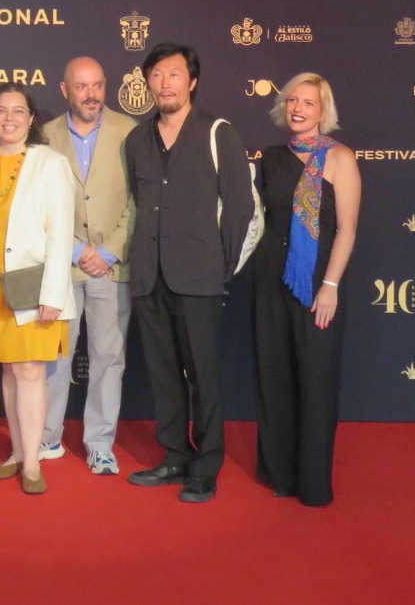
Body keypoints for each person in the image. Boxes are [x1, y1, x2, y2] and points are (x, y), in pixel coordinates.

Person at [124, 42, 255, 503]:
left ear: (192, 81)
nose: (164, 83)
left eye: (174, 74)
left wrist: (219, 265)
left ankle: (206, 464)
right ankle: (175, 455)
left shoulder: (218, 133)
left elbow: (241, 208)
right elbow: (136, 206)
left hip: (199, 277)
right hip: (148, 275)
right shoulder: (136, 140)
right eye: (156, 75)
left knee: (204, 375)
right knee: (163, 373)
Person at [0, 85, 76, 495]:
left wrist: (53, 294)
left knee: (30, 371)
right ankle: (16, 452)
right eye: (1, 111)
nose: (9, 118)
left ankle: (31, 462)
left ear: (31, 119)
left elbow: (62, 233)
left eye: (18, 111)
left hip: (33, 286)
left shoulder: (50, 163)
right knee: (9, 370)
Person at [253, 73, 360, 506]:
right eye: (292, 101)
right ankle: (281, 473)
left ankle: (314, 482)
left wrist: (330, 285)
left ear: (323, 112)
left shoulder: (340, 158)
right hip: (270, 278)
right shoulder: (271, 158)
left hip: (319, 280)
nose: (298, 109)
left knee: (316, 380)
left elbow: (347, 230)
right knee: (275, 375)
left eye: (308, 103)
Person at [40, 57, 137, 476]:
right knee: (54, 357)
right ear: (65, 91)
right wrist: (78, 250)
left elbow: (139, 200)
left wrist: (110, 250)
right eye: (81, 87)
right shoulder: (43, 136)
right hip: (62, 267)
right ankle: (46, 437)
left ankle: (100, 444)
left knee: (108, 358)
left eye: (97, 85)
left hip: (112, 268)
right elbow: (38, 204)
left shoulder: (131, 132)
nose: (91, 94)